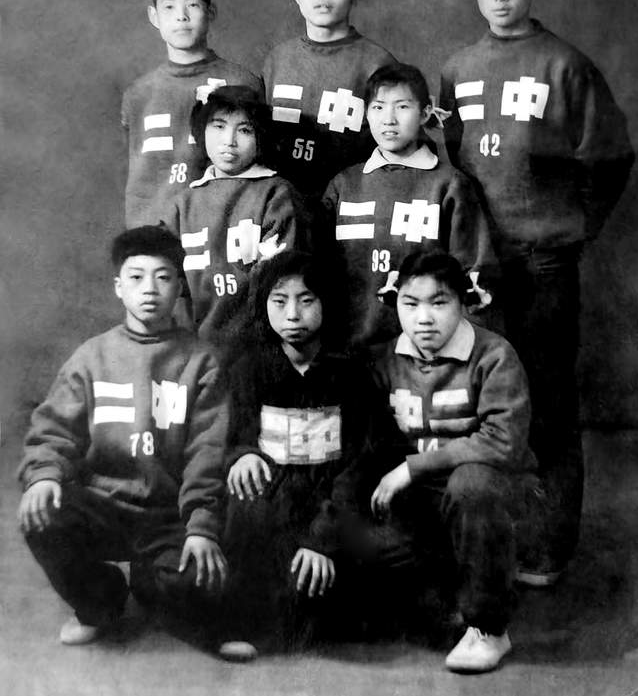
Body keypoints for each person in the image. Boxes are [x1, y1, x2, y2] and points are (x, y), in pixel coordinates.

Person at [440, 0, 634, 583]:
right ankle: (483, 538)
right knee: (475, 400)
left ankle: (549, 544)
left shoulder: (565, 65)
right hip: (475, 264)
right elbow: (452, 164)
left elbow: (610, 156)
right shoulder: (457, 69)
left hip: (543, 261)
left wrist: (577, 226)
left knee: (545, 402)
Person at [17, 226, 228, 645]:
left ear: (180, 286)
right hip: (104, 506)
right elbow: (54, 430)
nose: (149, 289)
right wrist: (43, 475)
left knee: (191, 588)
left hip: (167, 514)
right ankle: (101, 601)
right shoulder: (91, 357)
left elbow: (207, 451)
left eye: (163, 277)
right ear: (118, 287)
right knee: (44, 517)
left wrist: (201, 526)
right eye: (136, 277)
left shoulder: (201, 361)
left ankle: (151, 582)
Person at [369, 251, 536, 673]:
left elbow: (502, 443)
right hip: (420, 502)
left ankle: (489, 627)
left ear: (464, 303)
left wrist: (412, 467)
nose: (424, 318)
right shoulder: (383, 360)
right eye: (410, 303)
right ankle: (444, 592)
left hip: (488, 495)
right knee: (373, 567)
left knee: (472, 486)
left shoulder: (494, 355)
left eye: (439, 302)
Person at [219, 250, 384, 659]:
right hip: (273, 505)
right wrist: (242, 454)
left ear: (326, 304)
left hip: (331, 508)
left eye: (306, 300)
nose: (293, 314)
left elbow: (361, 462)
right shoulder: (248, 370)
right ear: (264, 306)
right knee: (245, 507)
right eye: (280, 301)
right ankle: (245, 622)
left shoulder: (351, 373)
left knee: (348, 612)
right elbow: (233, 435)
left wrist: (322, 538)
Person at [323, 63, 496, 348]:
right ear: (366, 113)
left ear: (425, 113)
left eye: (402, 107)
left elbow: (473, 274)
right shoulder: (344, 185)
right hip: (348, 350)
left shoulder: (449, 185)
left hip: (424, 351)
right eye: (378, 108)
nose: (389, 119)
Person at [162, 85, 310, 347]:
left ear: (260, 137)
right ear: (202, 130)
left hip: (259, 343)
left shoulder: (275, 194)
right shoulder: (182, 204)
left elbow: (282, 280)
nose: (229, 141)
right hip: (194, 348)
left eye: (244, 130)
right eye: (218, 126)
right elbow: (169, 284)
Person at [122, 0, 261, 227]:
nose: (181, 16)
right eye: (169, 7)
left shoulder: (242, 82)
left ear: (211, 11)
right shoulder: (138, 95)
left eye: (193, 5)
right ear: (154, 16)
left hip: (219, 231)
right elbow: (139, 180)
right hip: (155, 234)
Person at [262, 0, 396, 200]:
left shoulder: (377, 64)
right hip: (283, 204)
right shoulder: (277, 60)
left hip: (352, 202)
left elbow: (398, 145)